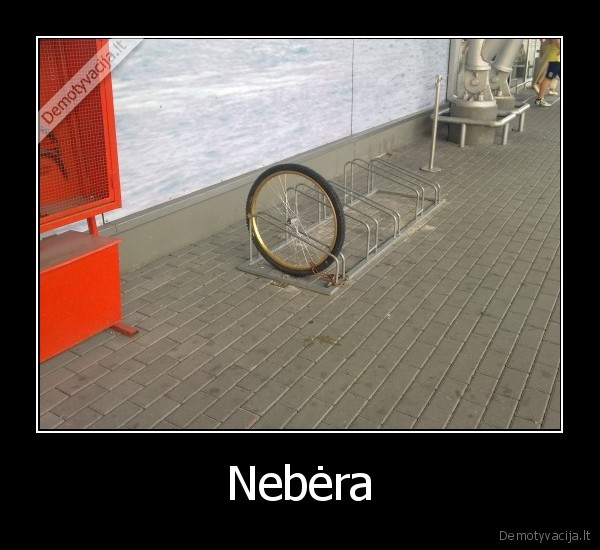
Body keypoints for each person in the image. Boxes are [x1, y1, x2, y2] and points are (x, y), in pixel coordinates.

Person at [535, 39, 560, 107]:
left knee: (548, 78)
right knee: (548, 78)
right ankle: (539, 99)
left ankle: (540, 98)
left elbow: (546, 42)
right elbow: (557, 40)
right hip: (555, 59)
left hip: (556, 59)